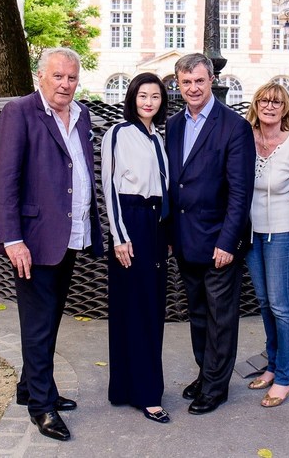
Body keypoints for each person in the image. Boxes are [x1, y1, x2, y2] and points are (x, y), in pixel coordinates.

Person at [0, 47, 104, 441]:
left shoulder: (82, 115)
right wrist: (13, 239)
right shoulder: (19, 112)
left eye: (72, 78)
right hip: (33, 241)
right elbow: (3, 182)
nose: (65, 85)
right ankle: (42, 406)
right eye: (58, 76)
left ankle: (32, 387)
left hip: (70, 236)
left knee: (51, 318)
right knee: (38, 325)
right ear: (41, 76)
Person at [165, 53, 255, 415]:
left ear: (212, 79)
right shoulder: (172, 125)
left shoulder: (234, 126)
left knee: (221, 317)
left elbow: (240, 192)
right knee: (198, 314)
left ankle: (216, 387)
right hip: (186, 239)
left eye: (199, 81)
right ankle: (206, 373)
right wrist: (170, 232)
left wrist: (228, 241)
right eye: (186, 83)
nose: (193, 88)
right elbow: (173, 182)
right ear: (178, 84)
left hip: (219, 240)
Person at [101, 72, 171, 424]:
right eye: (143, 95)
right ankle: (147, 394)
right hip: (131, 222)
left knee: (151, 308)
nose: (149, 102)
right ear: (132, 97)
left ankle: (128, 387)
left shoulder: (159, 137)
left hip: (157, 225)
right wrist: (119, 236)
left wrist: (167, 231)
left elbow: (167, 188)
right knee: (134, 308)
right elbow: (109, 187)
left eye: (155, 96)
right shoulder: (117, 133)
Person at [244, 82, 289, 408]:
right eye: (264, 100)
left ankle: (285, 376)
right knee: (264, 302)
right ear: (256, 105)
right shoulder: (246, 138)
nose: (270, 106)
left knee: (283, 306)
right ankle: (271, 365)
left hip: (283, 234)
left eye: (276, 102)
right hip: (252, 235)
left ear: (285, 108)